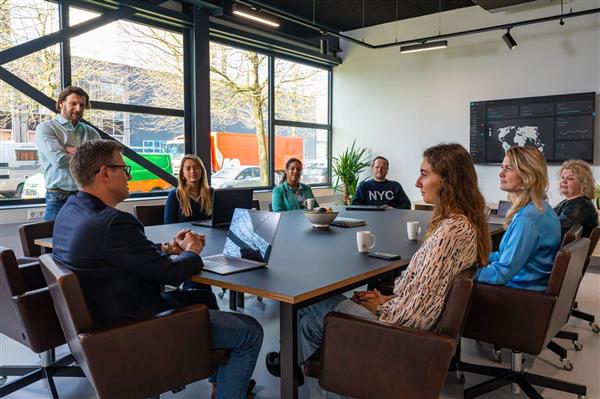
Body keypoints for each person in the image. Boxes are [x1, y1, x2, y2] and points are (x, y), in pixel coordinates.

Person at [266, 143, 491, 397]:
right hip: (401, 315)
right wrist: (386, 298)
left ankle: (290, 363)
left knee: (306, 307)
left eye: (424, 174)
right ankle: (295, 366)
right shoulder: (463, 226)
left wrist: (381, 307)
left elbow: (416, 316)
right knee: (308, 320)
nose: (418, 182)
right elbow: (428, 293)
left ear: (448, 182)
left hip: (400, 331)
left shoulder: (449, 234)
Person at [52, 139, 263, 399]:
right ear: (105, 173)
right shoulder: (115, 223)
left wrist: (166, 247)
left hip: (103, 320)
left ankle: (222, 382)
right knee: (250, 331)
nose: (129, 176)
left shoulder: (70, 211)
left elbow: (119, 252)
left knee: (205, 297)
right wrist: (191, 250)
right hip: (136, 327)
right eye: (124, 169)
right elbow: (172, 275)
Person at [476, 146, 561, 291]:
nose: (500, 174)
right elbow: (505, 257)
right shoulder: (541, 208)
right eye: (502, 167)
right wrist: (476, 257)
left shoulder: (527, 219)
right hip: (531, 288)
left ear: (528, 175)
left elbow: (500, 274)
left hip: (519, 295)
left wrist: (462, 272)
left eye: (508, 168)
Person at [35, 86, 100, 220]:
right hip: (59, 197)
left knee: (85, 240)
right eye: (73, 103)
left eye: (82, 105)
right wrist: (88, 155)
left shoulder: (90, 132)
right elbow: (60, 161)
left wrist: (71, 149)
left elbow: (103, 158)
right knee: (56, 240)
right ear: (61, 103)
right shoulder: (46, 128)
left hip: (86, 195)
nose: (78, 108)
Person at [554, 159, 598, 238]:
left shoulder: (579, 206)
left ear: (583, 183)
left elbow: (553, 231)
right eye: (562, 177)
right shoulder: (573, 201)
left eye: (570, 178)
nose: (563, 181)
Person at [164, 154, 213, 224]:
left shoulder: (211, 192)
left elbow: (219, 221)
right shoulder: (174, 195)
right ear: (182, 173)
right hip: (184, 234)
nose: (192, 171)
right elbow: (168, 225)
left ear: (202, 171)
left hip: (208, 234)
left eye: (196, 167)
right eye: (188, 168)